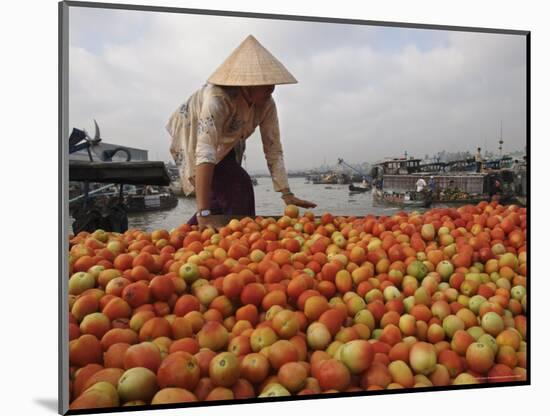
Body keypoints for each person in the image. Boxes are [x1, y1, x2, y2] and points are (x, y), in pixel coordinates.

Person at [166, 35, 316, 230]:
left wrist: (286, 193)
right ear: (248, 83)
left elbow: (273, 147)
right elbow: (205, 150)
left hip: (228, 141)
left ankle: (188, 236)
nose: (272, 88)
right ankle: (234, 234)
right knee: (238, 184)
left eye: (272, 83)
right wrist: (203, 212)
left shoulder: (267, 104)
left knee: (220, 198)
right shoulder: (218, 98)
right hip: (194, 134)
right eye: (265, 83)